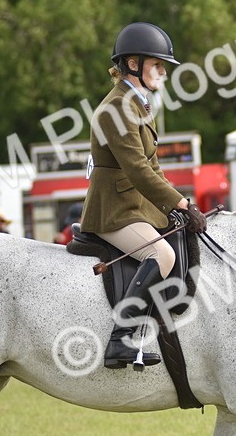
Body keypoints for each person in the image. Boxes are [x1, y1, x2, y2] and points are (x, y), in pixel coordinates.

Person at [79, 22, 207, 369]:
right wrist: (179, 202)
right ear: (133, 63)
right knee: (161, 254)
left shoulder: (138, 104)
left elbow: (153, 167)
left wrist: (179, 205)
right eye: (158, 65)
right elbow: (136, 168)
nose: (163, 73)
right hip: (113, 210)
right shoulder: (116, 108)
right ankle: (121, 339)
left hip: (136, 206)